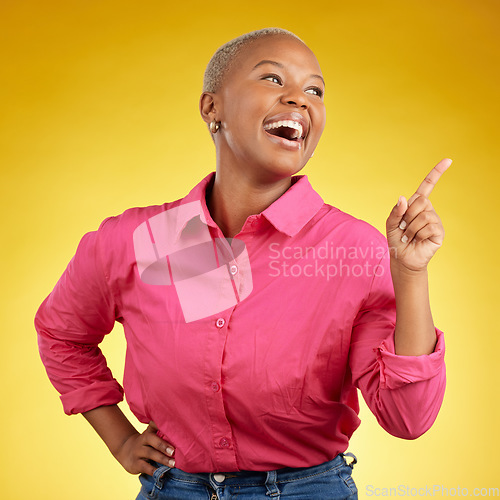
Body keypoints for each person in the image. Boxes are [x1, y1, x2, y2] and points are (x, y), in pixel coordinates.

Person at [35, 28, 449, 499]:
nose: (299, 99)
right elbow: (61, 334)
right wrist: (121, 439)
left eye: (314, 90)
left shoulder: (354, 249)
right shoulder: (142, 240)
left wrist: (412, 275)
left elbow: (408, 419)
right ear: (212, 108)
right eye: (273, 80)